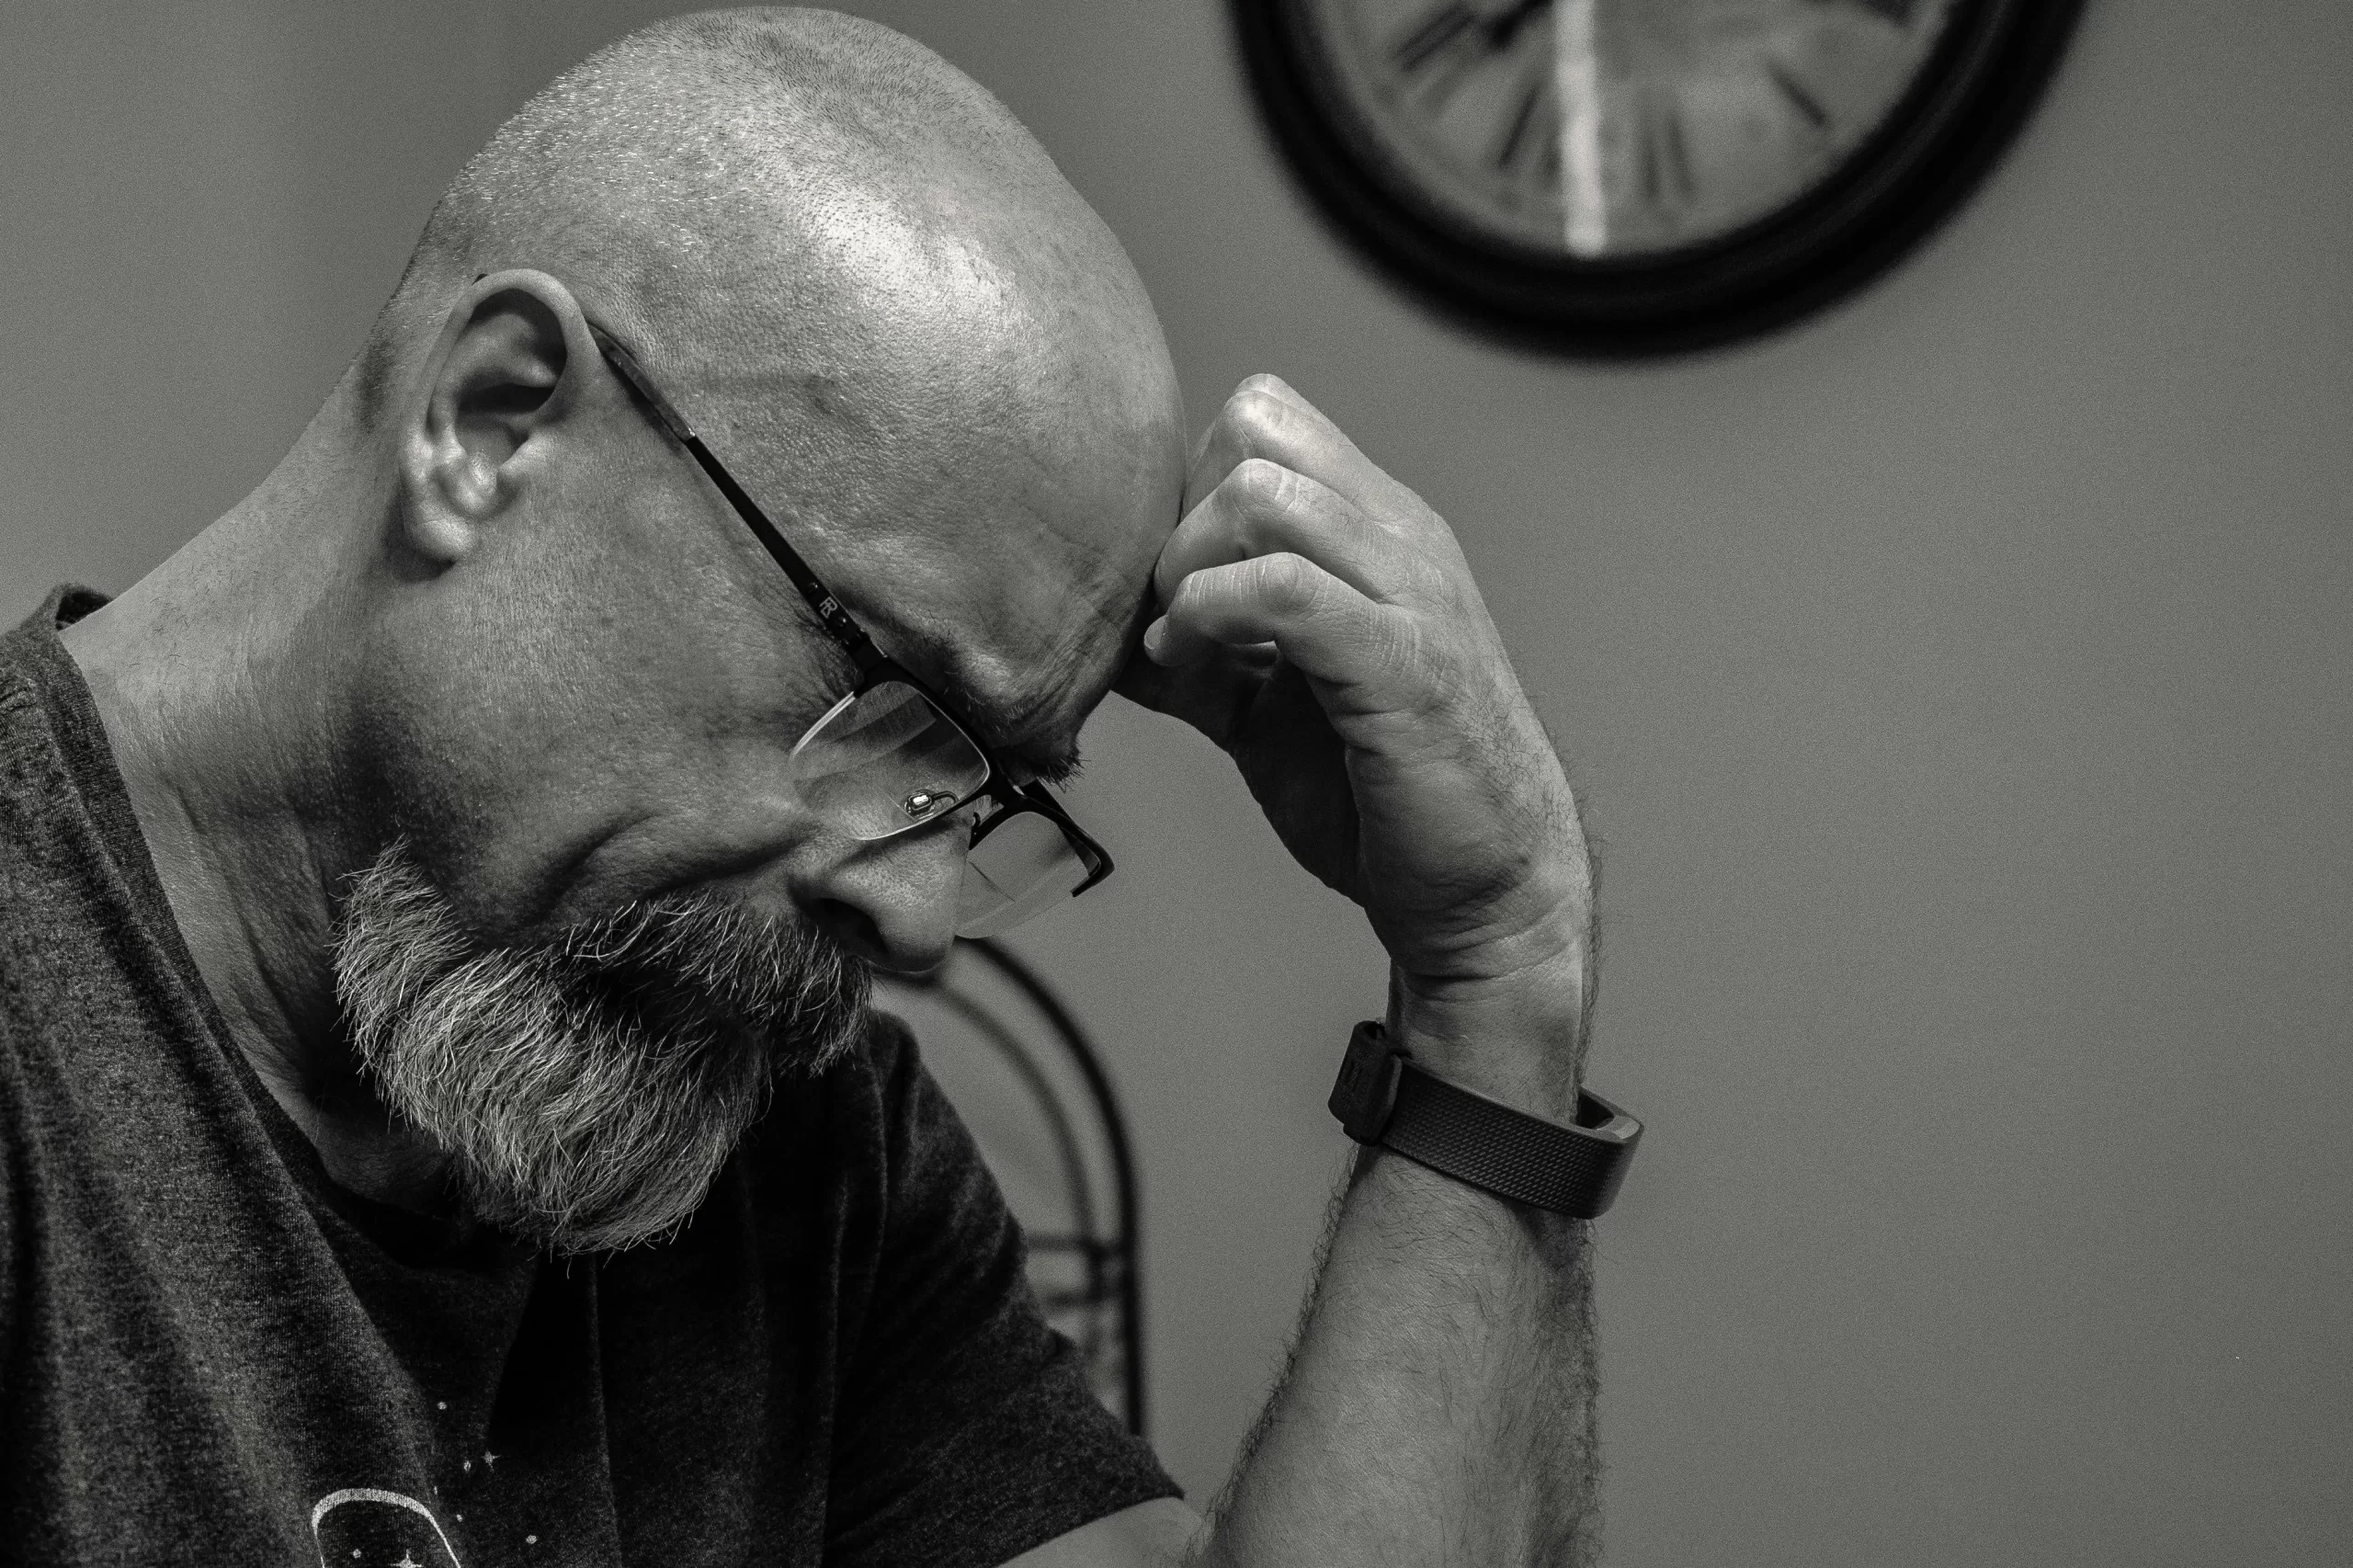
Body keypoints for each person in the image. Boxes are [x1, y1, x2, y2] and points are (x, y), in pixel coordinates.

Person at [0, 8, 1609, 1564]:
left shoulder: (794, 1142)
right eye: (885, 700)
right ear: (490, 422)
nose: (919, 922)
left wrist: (1492, 972)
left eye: (983, 792)